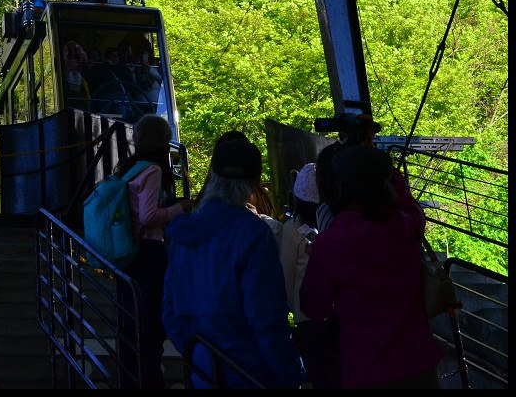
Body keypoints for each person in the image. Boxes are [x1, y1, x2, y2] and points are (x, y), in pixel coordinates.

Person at [162, 136, 304, 389]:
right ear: (254, 183)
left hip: (203, 372)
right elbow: (267, 318)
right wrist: (290, 374)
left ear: (213, 176)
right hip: (250, 374)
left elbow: (170, 313)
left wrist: (198, 356)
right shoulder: (255, 234)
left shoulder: (181, 235)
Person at [300, 145, 442, 389]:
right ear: (385, 182)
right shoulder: (408, 226)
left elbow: (313, 307)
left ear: (341, 186)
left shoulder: (332, 243)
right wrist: (380, 163)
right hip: (419, 366)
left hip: (368, 371)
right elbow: (411, 204)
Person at [115, 115, 192, 389]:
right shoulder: (153, 170)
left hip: (130, 253)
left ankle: (130, 378)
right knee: (151, 323)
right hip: (149, 250)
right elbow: (148, 216)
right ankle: (150, 379)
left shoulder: (128, 168)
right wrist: (179, 208)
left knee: (131, 322)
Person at [280, 163, 340, 388]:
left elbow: (287, 272)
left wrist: (291, 308)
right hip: (341, 313)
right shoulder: (338, 224)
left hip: (308, 316)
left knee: (320, 375)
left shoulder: (292, 228)